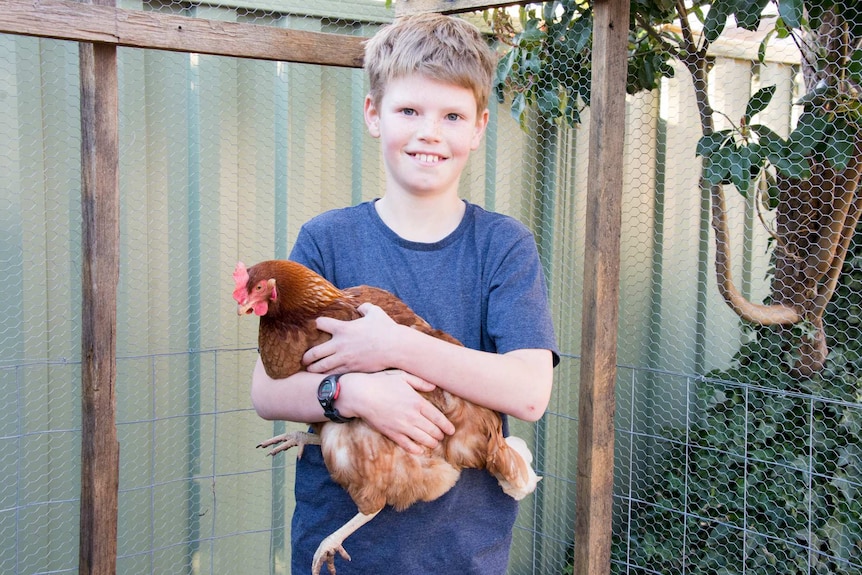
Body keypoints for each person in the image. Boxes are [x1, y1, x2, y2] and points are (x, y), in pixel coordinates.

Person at [250, 12, 559, 574]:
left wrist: (394, 349)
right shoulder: (327, 239)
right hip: (340, 558)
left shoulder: (503, 246)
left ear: (479, 126)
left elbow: (531, 393)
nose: (429, 132)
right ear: (374, 113)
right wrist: (352, 395)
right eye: (409, 110)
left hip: (460, 553)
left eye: (452, 115)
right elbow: (267, 393)